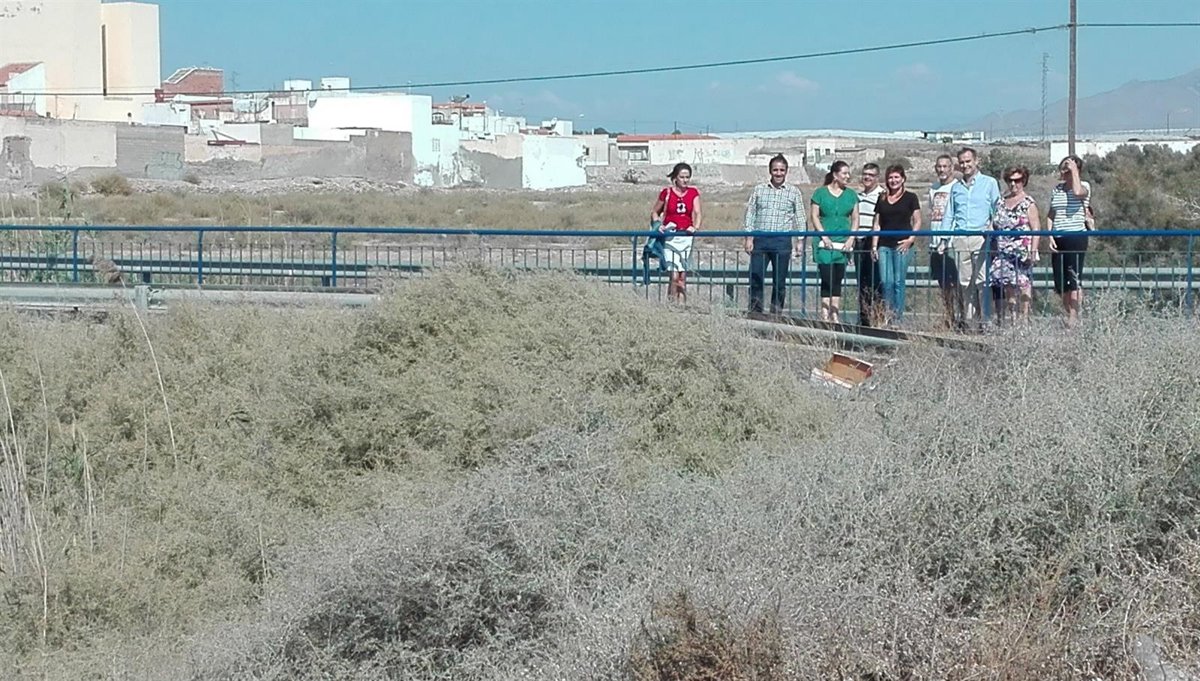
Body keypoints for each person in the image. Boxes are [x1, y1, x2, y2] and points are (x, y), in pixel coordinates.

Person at [944, 147, 1001, 328]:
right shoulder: (956, 188)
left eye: (968, 161)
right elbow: (950, 213)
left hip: (981, 238)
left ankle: (986, 320)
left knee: (982, 281)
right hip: (961, 238)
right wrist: (944, 238)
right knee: (964, 282)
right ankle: (970, 321)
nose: (965, 165)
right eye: (962, 162)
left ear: (976, 161)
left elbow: (997, 208)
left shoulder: (989, 183)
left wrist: (992, 227)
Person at [743, 154, 806, 314]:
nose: (778, 173)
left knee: (779, 282)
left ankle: (776, 315)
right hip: (760, 239)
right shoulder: (759, 190)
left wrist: (800, 241)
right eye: (775, 170)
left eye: (781, 170)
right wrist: (749, 237)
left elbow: (800, 217)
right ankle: (755, 313)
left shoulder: (793, 192)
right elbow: (750, 213)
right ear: (770, 171)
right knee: (756, 278)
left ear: (786, 171)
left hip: (782, 240)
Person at [987, 165, 1041, 324]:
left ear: (1023, 181)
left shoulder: (1028, 203)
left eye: (1017, 180)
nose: (1013, 184)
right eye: (1010, 180)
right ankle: (1013, 318)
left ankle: (1024, 319)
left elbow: (1036, 228)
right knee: (1007, 284)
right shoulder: (1001, 202)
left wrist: (1033, 251)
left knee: (1023, 284)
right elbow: (994, 224)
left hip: (1022, 251)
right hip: (1003, 250)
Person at [870, 165, 921, 325]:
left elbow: (917, 220)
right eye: (890, 177)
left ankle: (897, 319)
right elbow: (877, 223)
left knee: (899, 282)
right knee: (887, 282)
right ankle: (887, 315)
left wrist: (910, 240)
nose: (893, 180)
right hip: (884, 245)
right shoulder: (882, 198)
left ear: (903, 179)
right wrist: (874, 245)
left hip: (902, 244)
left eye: (896, 177)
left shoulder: (911, 197)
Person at [809, 160, 858, 323]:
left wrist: (851, 238)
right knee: (826, 276)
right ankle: (824, 313)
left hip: (843, 242)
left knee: (838, 277)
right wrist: (824, 236)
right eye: (844, 173)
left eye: (848, 173)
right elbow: (814, 216)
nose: (848, 176)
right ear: (835, 175)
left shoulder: (851, 195)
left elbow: (855, 218)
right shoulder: (820, 193)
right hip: (824, 242)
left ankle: (835, 313)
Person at [1046, 154, 1091, 328]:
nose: (1065, 173)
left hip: (1076, 237)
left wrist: (1074, 172)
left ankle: (1073, 317)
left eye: (1069, 170)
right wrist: (1050, 235)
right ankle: (1068, 313)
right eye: (1064, 169)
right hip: (1058, 237)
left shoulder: (1084, 186)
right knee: (1060, 282)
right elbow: (1051, 214)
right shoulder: (1057, 189)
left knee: (1074, 279)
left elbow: (1078, 192)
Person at [651, 162, 702, 303]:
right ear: (675, 178)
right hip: (670, 237)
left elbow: (698, 212)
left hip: (686, 237)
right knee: (673, 275)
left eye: (687, 177)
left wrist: (695, 227)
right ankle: (671, 304)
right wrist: (658, 224)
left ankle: (682, 305)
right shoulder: (666, 193)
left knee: (682, 276)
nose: (685, 180)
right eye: (682, 177)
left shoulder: (693, 192)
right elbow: (655, 212)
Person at [927, 154, 959, 328]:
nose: (942, 170)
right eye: (939, 166)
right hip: (934, 242)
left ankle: (962, 317)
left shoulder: (957, 187)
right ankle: (949, 317)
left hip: (951, 243)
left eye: (945, 166)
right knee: (943, 284)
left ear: (951, 168)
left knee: (957, 283)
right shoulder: (933, 188)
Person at [853, 163, 884, 326]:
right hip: (858, 242)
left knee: (876, 282)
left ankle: (878, 318)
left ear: (877, 177)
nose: (867, 177)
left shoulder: (882, 195)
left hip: (873, 242)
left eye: (871, 175)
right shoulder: (857, 197)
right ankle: (864, 319)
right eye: (865, 174)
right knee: (862, 283)